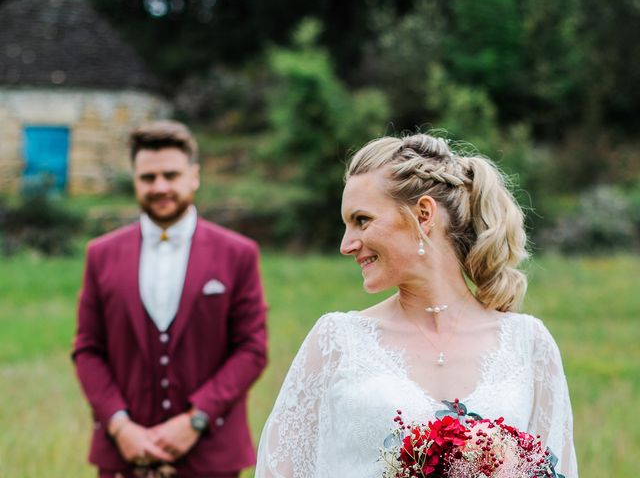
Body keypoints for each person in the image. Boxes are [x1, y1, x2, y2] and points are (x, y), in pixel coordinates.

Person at [255, 133, 578, 477]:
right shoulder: (336, 341)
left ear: (424, 214)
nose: (346, 244)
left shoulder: (529, 344)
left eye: (362, 220)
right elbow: (280, 470)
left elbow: (555, 468)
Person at [72, 120, 268, 478]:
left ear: (194, 176)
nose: (160, 187)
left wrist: (196, 420)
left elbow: (252, 349)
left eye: (171, 175)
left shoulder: (238, 253)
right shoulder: (100, 254)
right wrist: (120, 426)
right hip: (123, 455)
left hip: (212, 456)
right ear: (134, 180)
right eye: (148, 178)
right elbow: (87, 349)